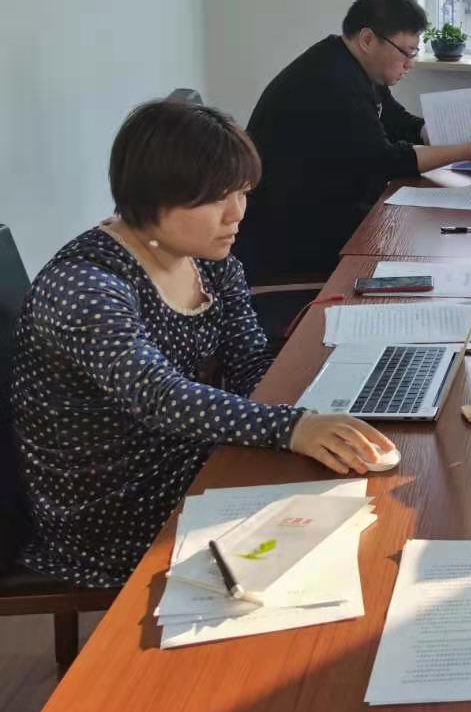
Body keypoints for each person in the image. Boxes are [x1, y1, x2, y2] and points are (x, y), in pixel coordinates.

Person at [10, 101, 395, 589]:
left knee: (355, 499)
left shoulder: (210, 260)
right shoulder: (85, 285)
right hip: (114, 505)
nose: (236, 214)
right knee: (340, 539)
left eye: (242, 193)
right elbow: (159, 396)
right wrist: (293, 426)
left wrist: (320, 403)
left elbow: (249, 362)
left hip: (192, 452)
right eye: (215, 199)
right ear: (153, 196)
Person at [236, 0, 471, 282]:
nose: (410, 63)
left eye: (414, 52)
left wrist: (433, 131)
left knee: (424, 237)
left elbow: (393, 118)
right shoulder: (334, 81)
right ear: (367, 40)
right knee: (423, 247)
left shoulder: (351, 64)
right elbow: (385, 160)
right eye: (406, 52)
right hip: (293, 238)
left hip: (328, 212)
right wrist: (465, 151)